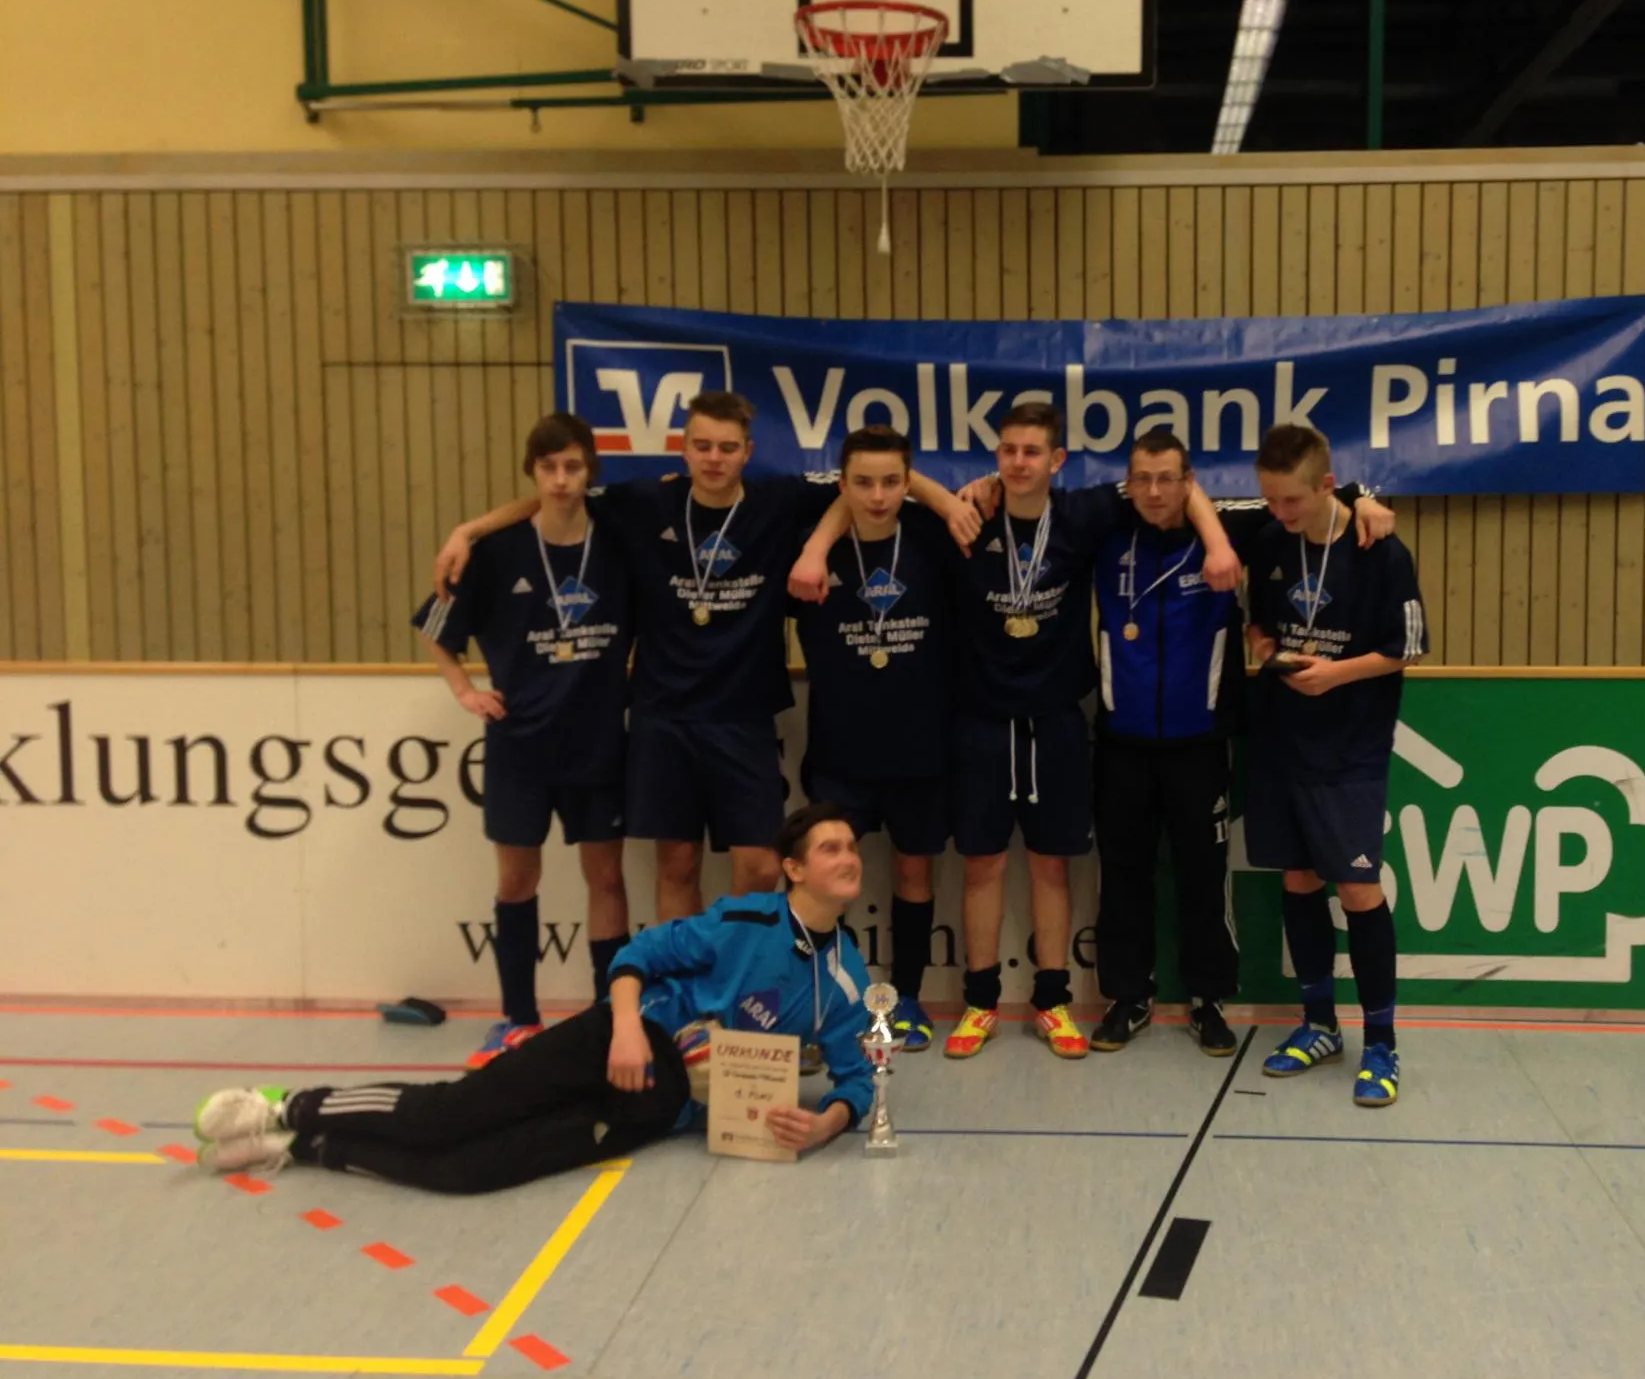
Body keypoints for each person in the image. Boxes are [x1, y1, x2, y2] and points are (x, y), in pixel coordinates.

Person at [435, 393, 976, 925]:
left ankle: (736, 976)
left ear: (747, 451)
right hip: (664, 715)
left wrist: (941, 506)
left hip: (743, 715)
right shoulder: (646, 502)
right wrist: (469, 531)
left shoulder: (777, 500)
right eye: (703, 446)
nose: (714, 458)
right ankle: (688, 981)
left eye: (727, 447)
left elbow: (866, 482)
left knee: (761, 866)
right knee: (677, 865)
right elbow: (558, 495)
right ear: (685, 449)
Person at [807, 402, 1236, 1062]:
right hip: (979, 721)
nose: (1018, 462)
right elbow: (863, 494)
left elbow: (1175, 485)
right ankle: (980, 1002)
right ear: (996, 455)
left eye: (1032, 451)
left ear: (1056, 460)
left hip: (1056, 720)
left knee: (1050, 866)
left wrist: (1220, 544)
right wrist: (938, 497)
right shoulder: (967, 521)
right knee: (982, 866)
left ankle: (1052, 1002)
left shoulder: (1084, 515)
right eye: (1007, 450)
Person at [188, 803, 877, 1190]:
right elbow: (636, 957)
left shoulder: (847, 978)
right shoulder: (742, 920)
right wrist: (627, 1028)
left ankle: (302, 1147)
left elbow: (857, 1079)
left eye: (851, 848)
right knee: (449, 1115)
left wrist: (827, 1124)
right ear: (793, 869)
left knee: (467, 1173)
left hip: (659, 1107)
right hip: (620, 1040)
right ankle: (284, 1104)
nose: (848, 858)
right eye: (831, 848)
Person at [1088, 432, 1396, 1059]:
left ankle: (1208, 998)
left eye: (1168, 478)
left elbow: (1318, 496)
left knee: (1204, 875)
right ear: (1128, 482)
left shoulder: (1241, 523)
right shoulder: (1105, 521)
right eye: (1142, 478)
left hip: (1202, 739)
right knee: (1123, 874)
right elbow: (1027, 495)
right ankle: (1128, 996)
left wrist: (1365, 499)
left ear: (1190, 481)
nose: (1154, 491)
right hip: (1121, 738)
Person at [412, 413, 632, 1067]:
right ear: (532, 472)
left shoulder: (619, 535)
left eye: (572, 466)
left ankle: (606, 1018)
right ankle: (518, 1018)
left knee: (606, 878)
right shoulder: (498, 551)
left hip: (597, 743)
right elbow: (436, 629)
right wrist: (464, 691)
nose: (561, 480)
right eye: (548, 467)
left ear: (590, 470)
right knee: (516, 879)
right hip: (519, 747)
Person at [1244, 424, 1427, 1108]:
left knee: (1357, 889)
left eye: (1291, 500)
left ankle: (1381, 1044)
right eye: (1270, 500)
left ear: (1328, 486)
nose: (1280, 512)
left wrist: (1335, 674)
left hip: (1351, 747)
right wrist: (1269, 652)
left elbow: (1409, 646)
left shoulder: (1382, 550)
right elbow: (1259, 624)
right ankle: (1318, 1024)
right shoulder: (1270, 540)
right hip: (1282, 738)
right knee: (1298, 879)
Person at [787, 425, 955, 1053]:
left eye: (891, 482)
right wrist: (818, 543)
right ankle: (821, 1004)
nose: (878, 496)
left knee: (914, 871)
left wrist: (929, 493)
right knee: (822, 877)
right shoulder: (810, 545)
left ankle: (906, 998)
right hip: (840, 749)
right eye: (863, 482)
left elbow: (955, 508)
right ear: (843, 485)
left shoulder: (932, 536)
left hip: (920, 743)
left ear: (909, 483)